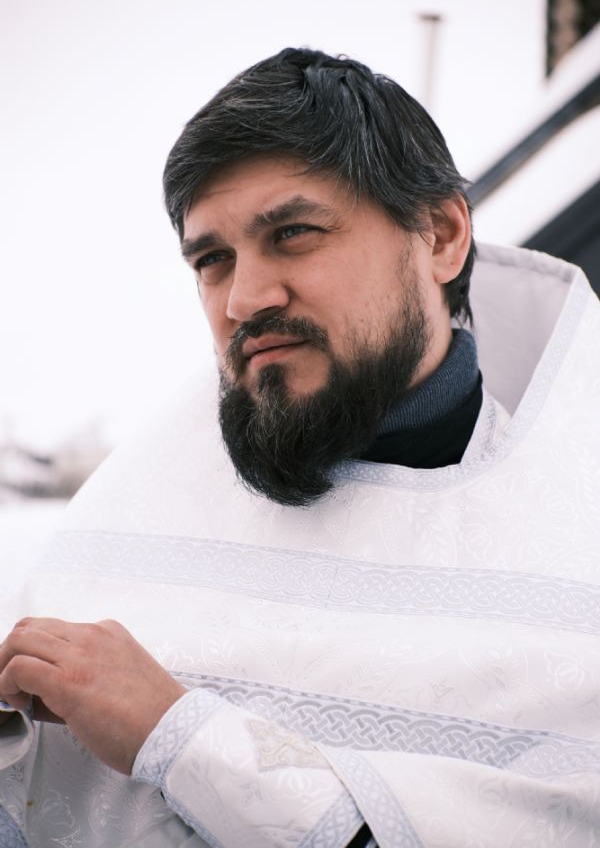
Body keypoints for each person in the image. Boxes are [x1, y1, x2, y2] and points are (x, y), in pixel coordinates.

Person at [0, 47, 599, 847]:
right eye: (213, 260)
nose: (245, 299)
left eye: (293, 234)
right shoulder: (124, 527)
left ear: (442, 236)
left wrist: (180, 738)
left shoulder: (579, 541)